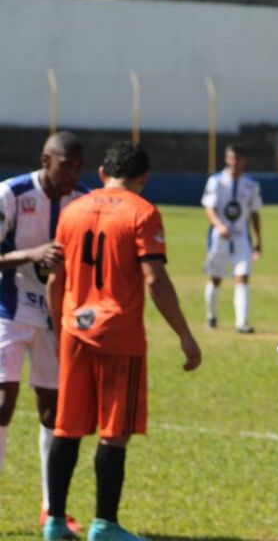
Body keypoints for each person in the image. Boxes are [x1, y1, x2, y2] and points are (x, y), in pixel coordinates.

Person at [43, 142, 202, 541]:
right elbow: (155, 280)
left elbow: (54, 281)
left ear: (101, 173)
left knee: (67, 428)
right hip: (119, 335)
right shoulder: (142, 211)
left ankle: (55, 522)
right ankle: (104, 524)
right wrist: (185, 335)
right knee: (114, 431)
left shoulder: (71, 211)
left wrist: (60, 327)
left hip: (73, 331)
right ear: (142, 178)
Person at [0, 131, 86, 532]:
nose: (73, 173)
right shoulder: (12, 194)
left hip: (56, 319)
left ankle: (52, 507)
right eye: (66, 164)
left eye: (79, 166)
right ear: (45, 160)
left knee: (53, 412)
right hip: (9, 312)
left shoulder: (83, 200)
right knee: (3, 403)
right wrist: (31, 255)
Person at [201, 144, 262, 333]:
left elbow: (254, 213)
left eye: (237, 159)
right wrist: (219, 226)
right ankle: (211, 316)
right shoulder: (216, 182)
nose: (234, 162)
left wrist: (259, 240)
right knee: (216, 278)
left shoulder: (251, 185)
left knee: (242, 277)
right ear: (226, 159)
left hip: (242, 239)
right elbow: (209, 208)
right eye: (231, 158)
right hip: (219, 239)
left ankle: (241, 323)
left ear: (244, 161)